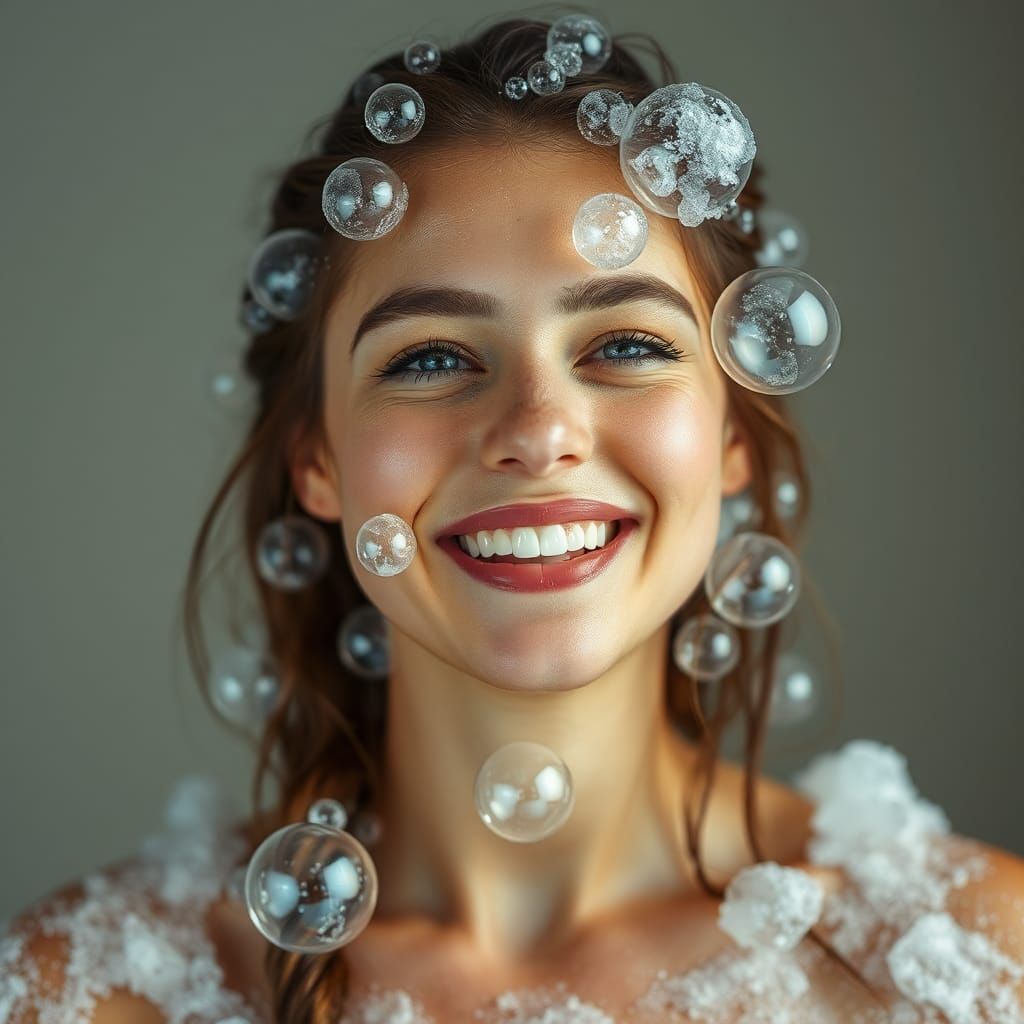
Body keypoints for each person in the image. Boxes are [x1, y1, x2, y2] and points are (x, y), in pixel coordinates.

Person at [3, 15, 1024, 1024]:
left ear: (731, 433)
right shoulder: (96, 993)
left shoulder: (977, 962)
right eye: (431, 357)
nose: (537, 432)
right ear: (317, 459)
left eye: (626, 345)